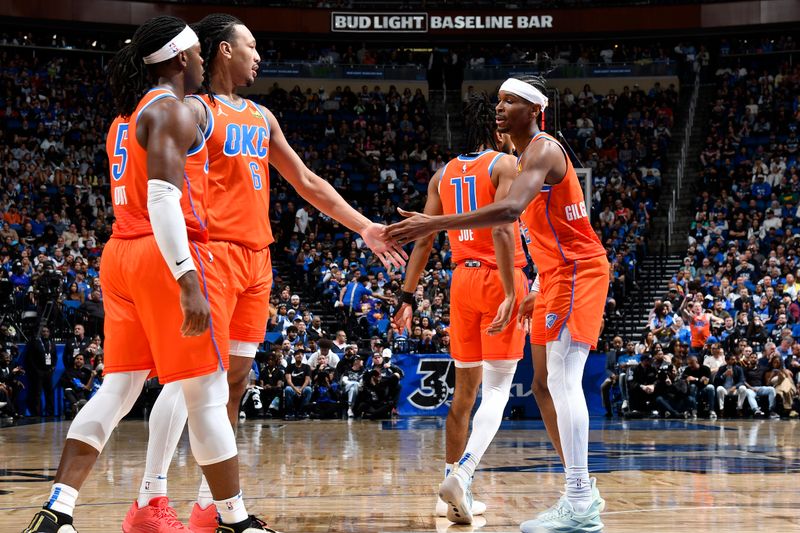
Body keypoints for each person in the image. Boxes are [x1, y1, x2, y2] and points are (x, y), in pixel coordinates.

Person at [128, 13, 405, 533]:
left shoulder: (260, 116)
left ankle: (210, 505)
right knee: (191, 380)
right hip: (211, 254)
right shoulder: (192, 111)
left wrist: (364, 226)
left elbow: (305, 180)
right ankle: (151, 496)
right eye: (250, 46)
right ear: (224, 51)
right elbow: (160, 186)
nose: (259, 55)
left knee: (233, 384)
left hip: (257, 259)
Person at [22, 17, 275, 533]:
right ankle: (233, 520)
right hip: (163, 251)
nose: (205, 62)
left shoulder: (124, 116)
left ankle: (58, 510)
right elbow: (162, 199)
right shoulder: (172, 110)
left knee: (116, 390)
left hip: (119, 254)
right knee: (206, 395)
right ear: (181, 59)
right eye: (199, 55)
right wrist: (186, 278)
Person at [389, 76, 608, 531]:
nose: (501, 107)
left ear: (535, 111)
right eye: (500, 101)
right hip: (547, 277)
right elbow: (518, 229)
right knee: (543, 386)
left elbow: (507, 218)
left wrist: (435, 223)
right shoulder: (518, 159)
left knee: (562, 381)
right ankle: (574, 491)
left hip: (574, 271)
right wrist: (524, 291)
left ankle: (578, 498)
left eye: (512, 101)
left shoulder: (542, 150)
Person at [392, 92, 528, 524]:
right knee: (499, 389)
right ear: (496, 129)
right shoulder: (504, 165)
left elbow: (425, 236)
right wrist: (511, 290)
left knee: (463, 393)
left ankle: (448, 486)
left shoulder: (443, 174)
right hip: (498, 276)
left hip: (460, 283)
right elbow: (504, 228)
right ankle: (464, 475)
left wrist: (407, 297)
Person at [23, 326, 57, 417]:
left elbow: (55, 357)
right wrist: (36, 370)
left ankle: (50, 412)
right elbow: (30, 359)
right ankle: (37, 413)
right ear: (41, 333)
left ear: (49, 333)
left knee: (49, 392)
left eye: (47, 331)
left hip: (49, 372)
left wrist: (53, 367)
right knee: (37, 393)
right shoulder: (36, 343)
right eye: (43, 331)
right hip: (38, 372)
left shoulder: (52, 343)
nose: (45, 333)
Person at [283, 347, 312, 420]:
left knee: (308, 389)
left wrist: (301, 389)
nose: (300, 355)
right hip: (293, 387)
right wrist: (295, 389)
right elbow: (288, 380)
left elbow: (307, 380)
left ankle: (303, 412)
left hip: (303, 387)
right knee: (288, 389)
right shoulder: (289, 366)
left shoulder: (307, 367)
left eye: (302, 354)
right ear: (294, 356)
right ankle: (290, 412)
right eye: (298, 354)